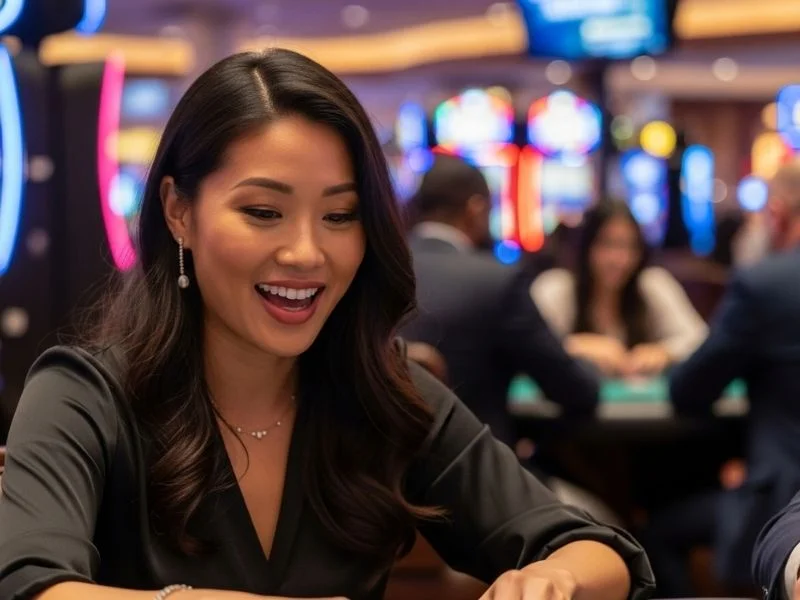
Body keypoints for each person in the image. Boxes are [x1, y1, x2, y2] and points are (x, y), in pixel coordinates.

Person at [0, 49, 653, 600]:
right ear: (178, 211)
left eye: (340, 216)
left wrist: (553, 578)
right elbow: (29, 584)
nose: (307, 253)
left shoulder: (383, 394)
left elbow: (599, 551)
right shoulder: (84, 394)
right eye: (263, 212)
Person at [401, 154, 600, 445]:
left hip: (370, 467)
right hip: (473, 467)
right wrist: (594, 366)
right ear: (476, 208)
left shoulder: (369, 271)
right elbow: (575, 391)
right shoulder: (497, 280)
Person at [678, 159, 800, 600]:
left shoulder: (763, 282)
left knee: (650, 534)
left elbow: (689, 389)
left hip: (780, 498)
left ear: (777, 213)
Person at [531, 201, 707, 377]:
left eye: (629, 246)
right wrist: (577, 345)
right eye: (607, 244)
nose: (619, 259)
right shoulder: (557, 288)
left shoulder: (652, 284)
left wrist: (664, 352)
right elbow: (529, 343)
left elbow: (699, 340)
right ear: (587, 247)